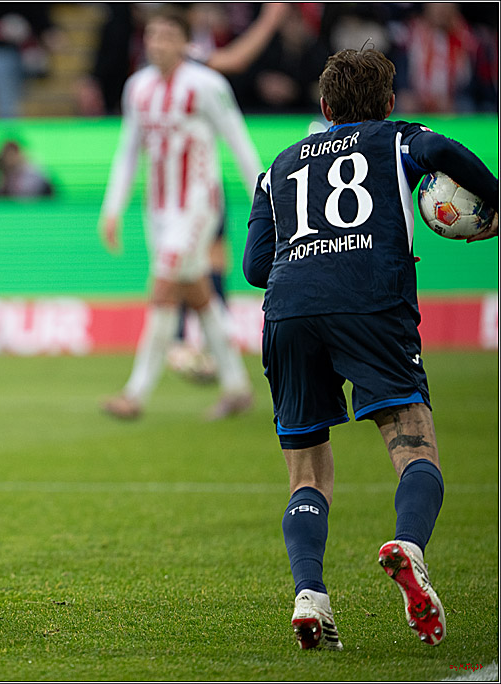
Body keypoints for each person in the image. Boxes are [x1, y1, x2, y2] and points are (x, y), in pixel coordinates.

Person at [242, 48, 498, 650]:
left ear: (325, 108)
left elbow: (256, 266)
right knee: (414, 445)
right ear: (387, 103)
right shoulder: (398, 138)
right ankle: (408, 545)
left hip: (289, 311)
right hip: (371, 303)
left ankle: (311, 595)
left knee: (307, 473)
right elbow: (442, 152)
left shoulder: (276, 167)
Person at [98, 5, 261, 422]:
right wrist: (112, 208)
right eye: (152, 35)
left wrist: (265, 201)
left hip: (198, 206)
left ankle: (135, 394)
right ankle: (237, 387)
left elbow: (238, 142)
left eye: (168, 35)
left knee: (163, 285)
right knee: (197, 292)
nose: (158, 43)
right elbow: (127, 150)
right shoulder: (137, 87)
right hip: (158, 210)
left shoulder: (207, 85)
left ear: (186, 42)